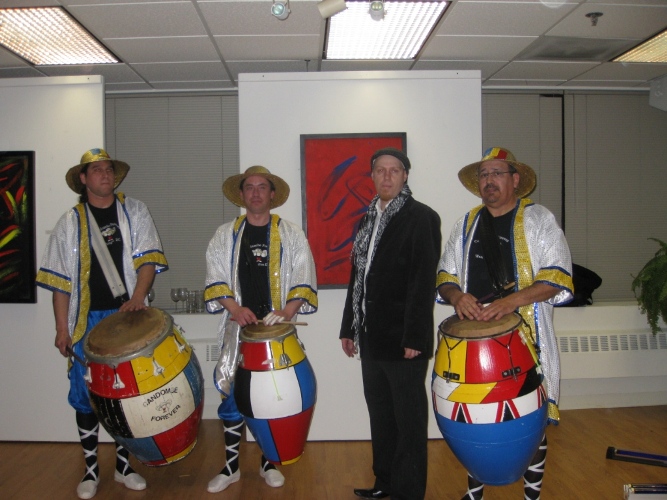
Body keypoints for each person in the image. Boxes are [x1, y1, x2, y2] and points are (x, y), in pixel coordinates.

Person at [436, 147, 574, 500]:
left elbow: (557, 277)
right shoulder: (466, 224)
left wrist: (509, 302)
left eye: (497, 173)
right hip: (473, 340)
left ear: (515, 180)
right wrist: (457, 297)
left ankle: (532, 494)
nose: (489, 181)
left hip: (527, 335)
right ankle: (475, 490)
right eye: (483, 175)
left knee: (532, 420)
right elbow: (445, 276)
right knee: (474, 416)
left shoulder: (539, 219)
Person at [36, 148, 168, 499]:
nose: (104, 175)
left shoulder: (134, 211)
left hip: (128, 319)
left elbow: (149, 261)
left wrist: (138, 298)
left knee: (126, 396)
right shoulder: (69, 222)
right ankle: (91, 470)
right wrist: (62, 329)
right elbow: (61, 283)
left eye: (108, 169)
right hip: (86, 322)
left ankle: (124, 466)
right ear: (83, 179)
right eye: (96, 171)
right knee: (84, 396)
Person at [204, 165, 318, 493]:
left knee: (273, 399)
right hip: (238, 331)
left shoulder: (292, 234)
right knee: (231, 397)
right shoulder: (225, 235)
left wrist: (287, 312)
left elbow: (303, 276)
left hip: (276, 334)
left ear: (271, 195)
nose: (255, 193)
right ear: (241, 195)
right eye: (249, 187)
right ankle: (231, 467)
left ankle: (269, 463)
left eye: (262, 187)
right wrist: (235, 309)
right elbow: (215, 278)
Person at [339, 148, 442, 500]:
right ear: (372, 177)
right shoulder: (366, 220)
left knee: (409, 422)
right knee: (381, 418)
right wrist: (348, 328)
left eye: (393, 170)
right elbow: (358, 277)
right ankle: (384, 484)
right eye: (379, 171)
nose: (386, 177)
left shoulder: (421, 217)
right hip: (370, 338)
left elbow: (421, 281)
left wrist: (415, 335)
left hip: (404, 341)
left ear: (405, 176)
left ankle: (409, 492)